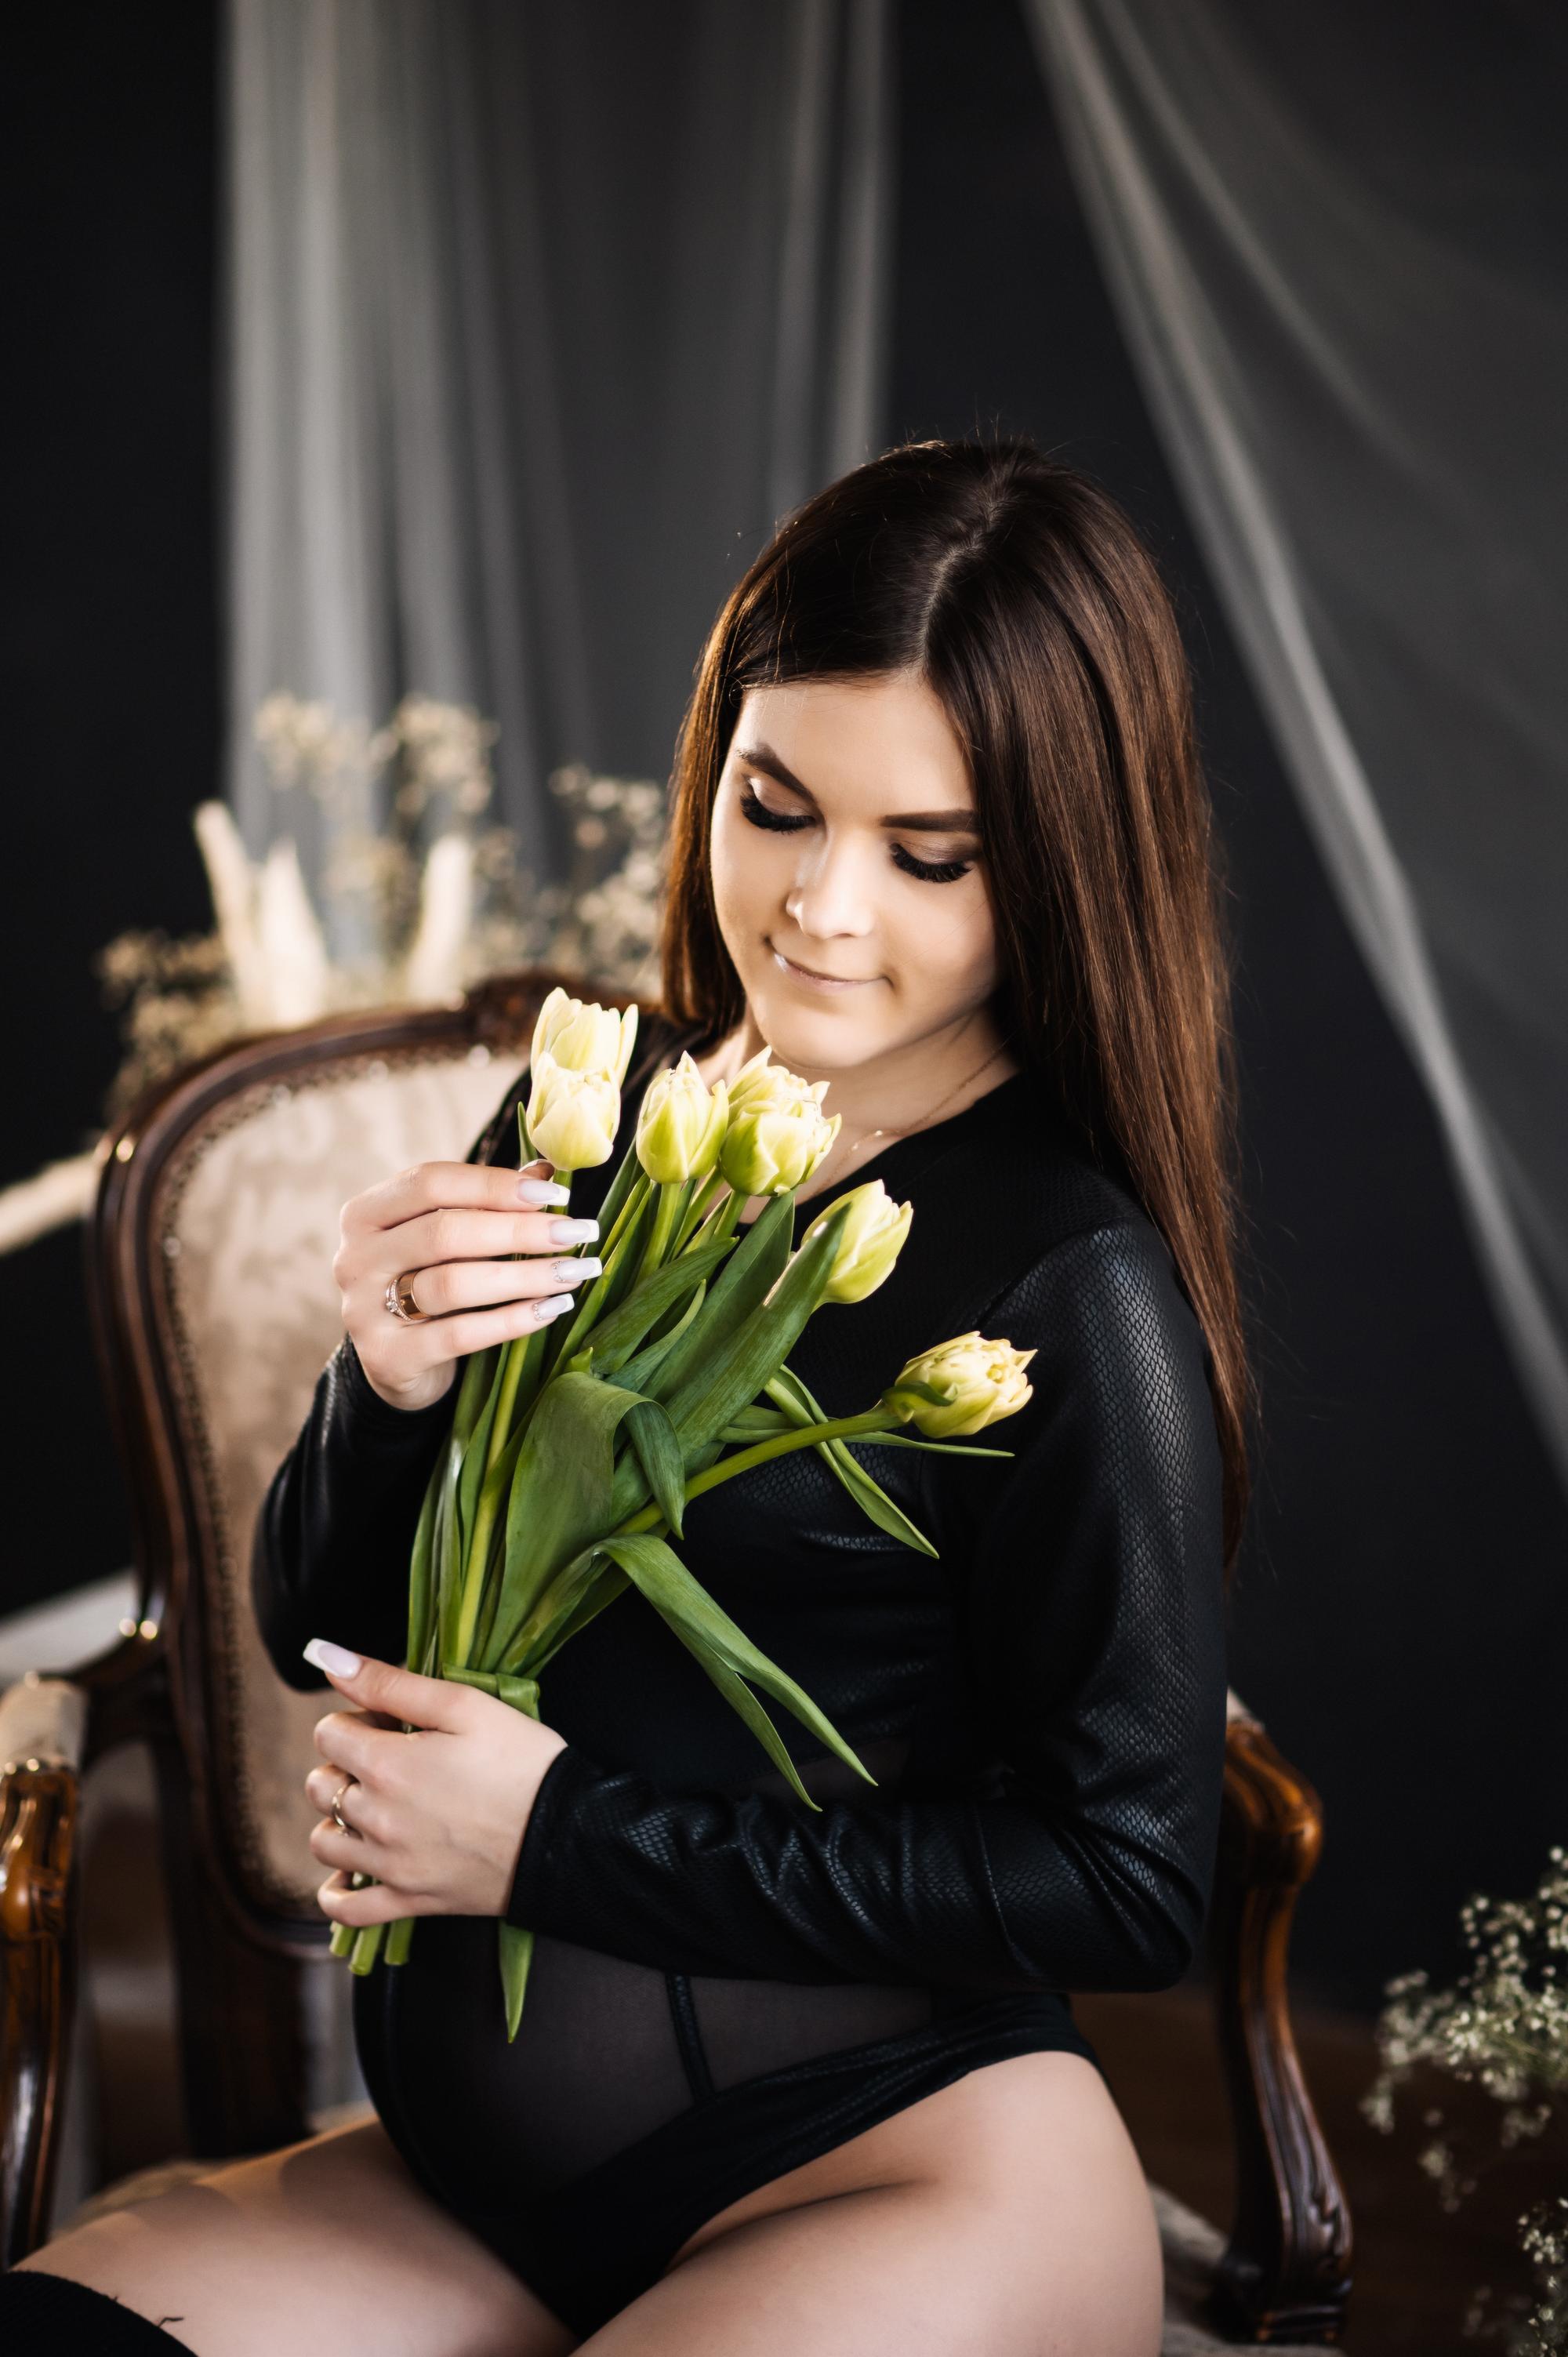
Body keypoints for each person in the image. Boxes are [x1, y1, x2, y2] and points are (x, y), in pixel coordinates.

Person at [4, 438, 1247, 2355]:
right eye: (774, 805)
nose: (820, 908)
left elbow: (1126, 1882)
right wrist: (385, 1387)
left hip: (896, 2171)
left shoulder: (1069, 1285)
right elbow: (312, 1625)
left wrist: (556, 1841)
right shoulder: (603, 1115)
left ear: (1059, 862)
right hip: (470, 2193)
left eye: (927, 856)